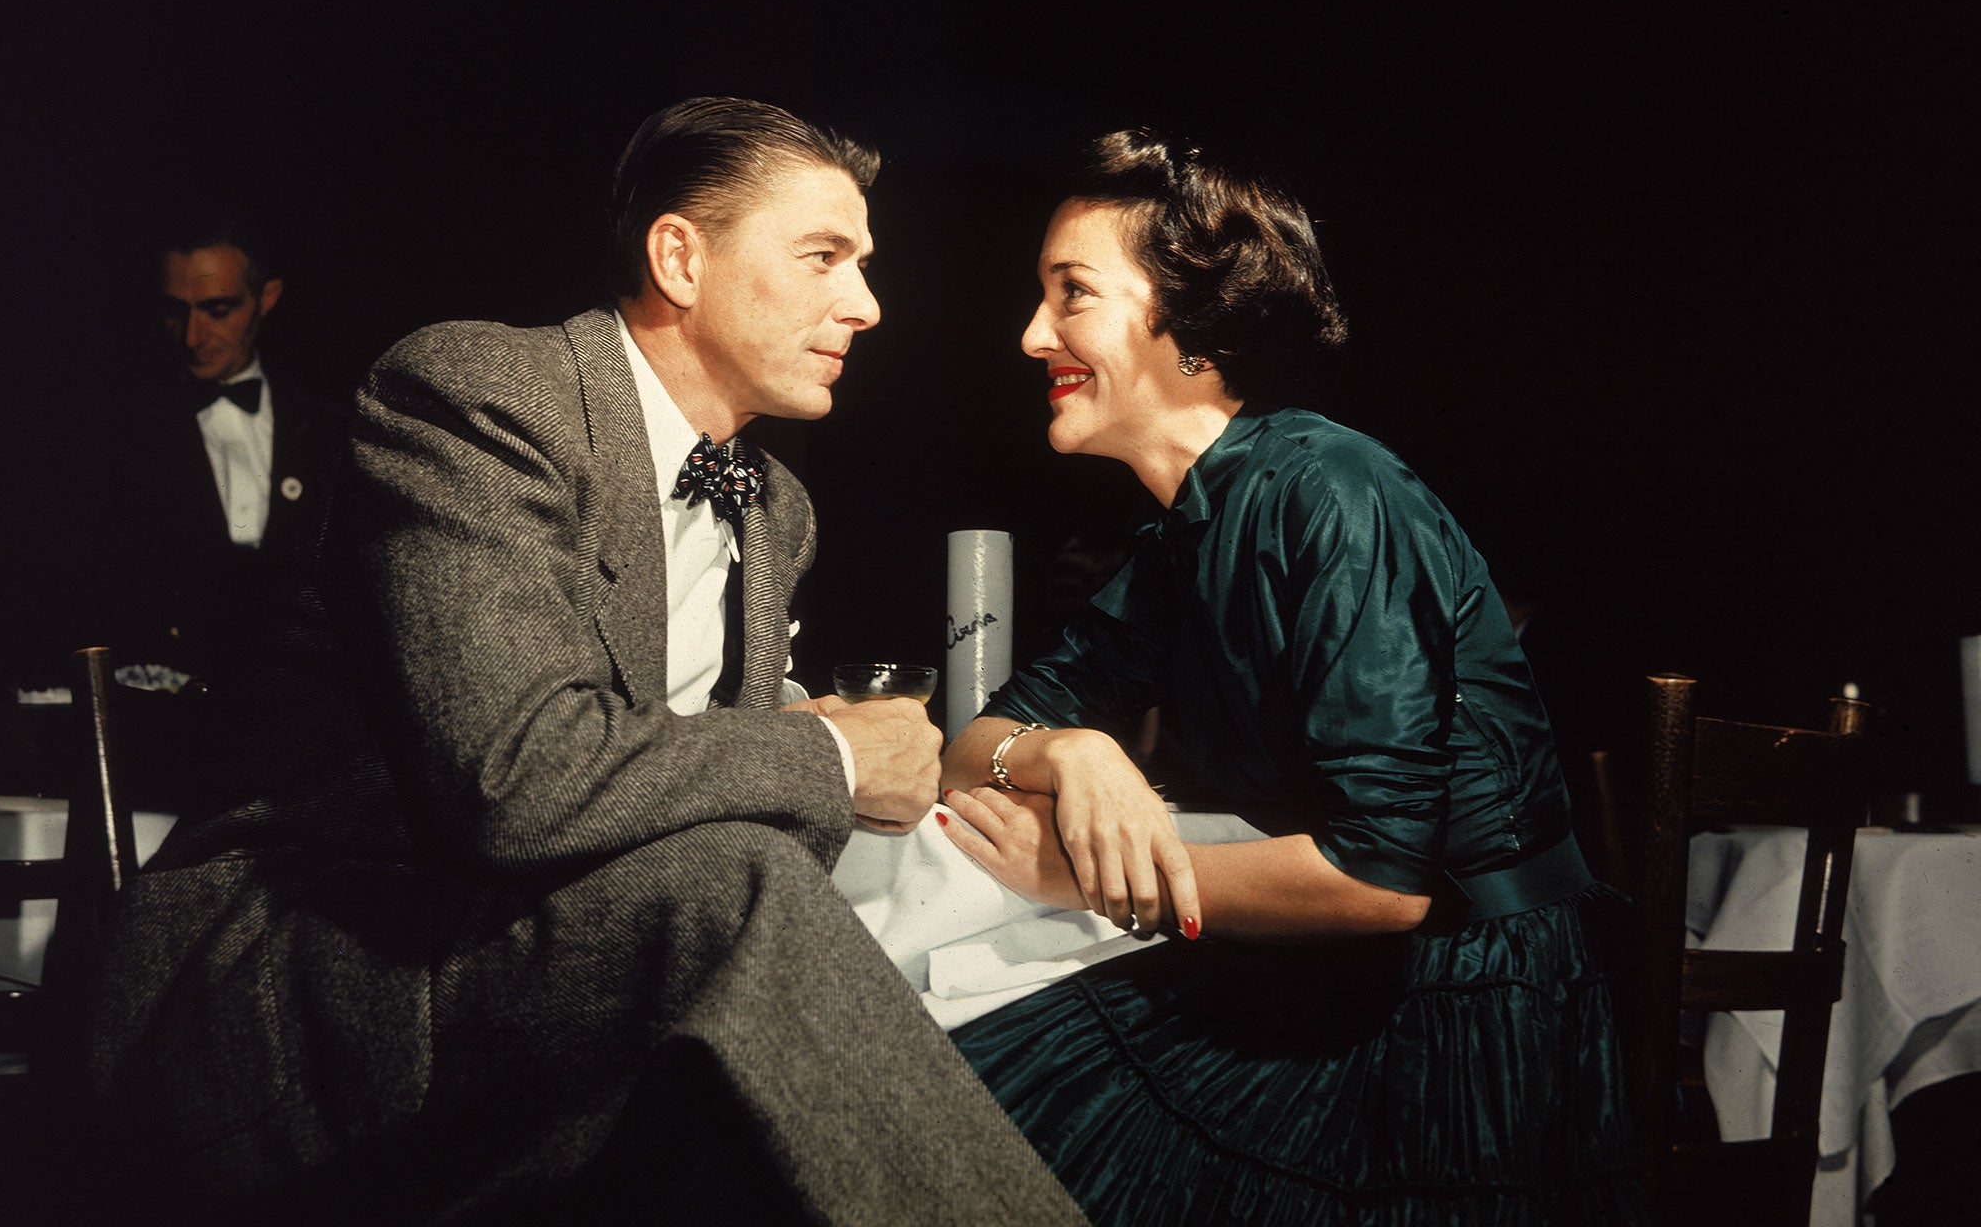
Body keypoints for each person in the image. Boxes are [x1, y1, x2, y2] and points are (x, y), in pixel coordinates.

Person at [86, 99, 1088, 1226]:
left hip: (561, 971)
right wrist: (825, 754)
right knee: (735, 899)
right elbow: (514, 780)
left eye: (862, 264)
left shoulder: (777, 509)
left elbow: (715, 802)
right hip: (322, 980)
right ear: (679, 257)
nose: (864, 304)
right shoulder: (477, 395)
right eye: (821, 257)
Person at [935, 131, 1649, 1224]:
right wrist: (1066, 750)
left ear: (1195, 327)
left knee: (996, 1128)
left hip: (1457, 1013)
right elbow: (972, 743)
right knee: (928, 1103)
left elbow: (1377, 882)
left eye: (1070, 294)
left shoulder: (1329, 493)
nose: (1032, 335)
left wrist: (1089, 877)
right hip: (1316, 982)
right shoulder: (1186, 529)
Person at [99, 217, 344, 687]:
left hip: (305, 693)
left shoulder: (328, 427)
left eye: (218, 310)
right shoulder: (124, 432)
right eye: (175, 311)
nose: (192, 337)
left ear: (266, 299)